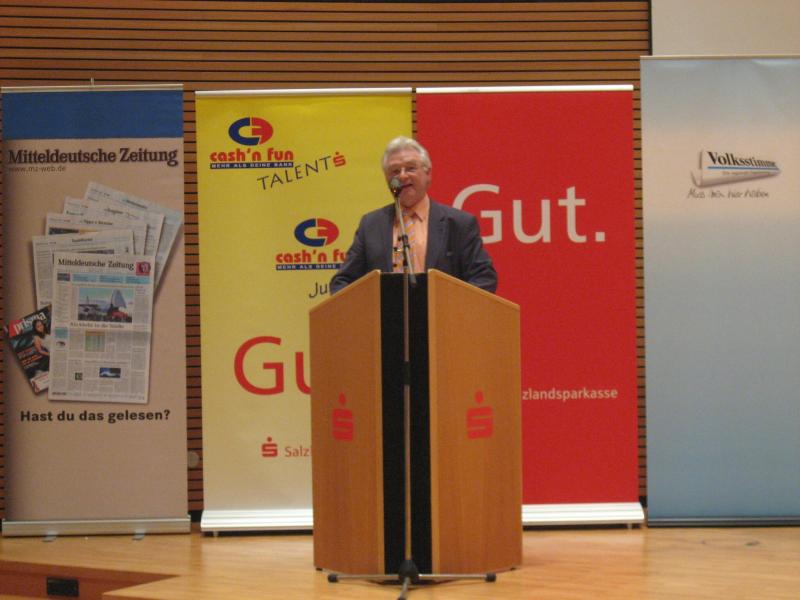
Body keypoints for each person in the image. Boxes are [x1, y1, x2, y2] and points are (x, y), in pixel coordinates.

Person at [330, 136, 497, 294]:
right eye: (395, 171)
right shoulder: (371, 225)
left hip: (442, 313)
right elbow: (342, 281)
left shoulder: (459, 223)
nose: (402, 176)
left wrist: (450, 305)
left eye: (410, 168)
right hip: (384, 314)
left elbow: (484, 278)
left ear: (428, 174)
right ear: (387, 179)